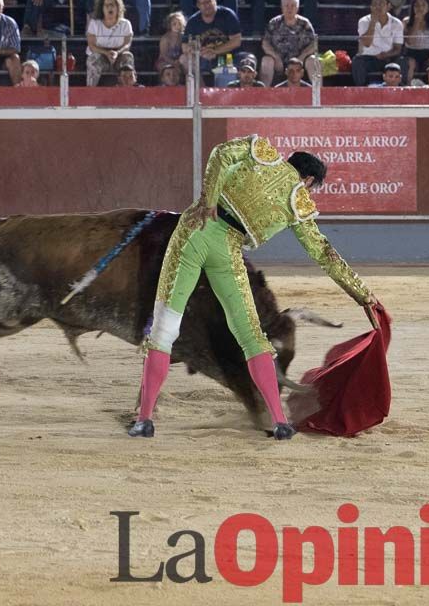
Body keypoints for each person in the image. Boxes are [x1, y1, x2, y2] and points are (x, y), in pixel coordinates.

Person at [127, 135, 377, 440]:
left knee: (165, 328)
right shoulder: (297, 201)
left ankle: (144, 421)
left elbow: (219, 154)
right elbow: (323, 252)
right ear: (309, 179)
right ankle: (279, 421)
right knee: (252, 336)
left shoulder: (262, 152)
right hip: (227, 251)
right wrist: (361, 293)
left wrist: (209, 199)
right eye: (313, 187)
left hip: (195, 231)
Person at [260, 0, 320, 85]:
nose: (289, 8)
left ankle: (319, 94)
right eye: (286, 5)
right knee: (266, 60)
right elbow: (265, 43)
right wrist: (276, 57)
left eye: (293, 5)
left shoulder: (305, 23)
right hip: (279, 62)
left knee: (313, 60)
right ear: (282, 7)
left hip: (300, 61)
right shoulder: (274, 23)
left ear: (297, 7)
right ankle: (263, 95)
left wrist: (301, 57)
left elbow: (314, 44)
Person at [183, 0, 242, 79]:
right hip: (203, 57)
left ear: (215, 0)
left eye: (209, 1)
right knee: (184, 59)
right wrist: (200, 52)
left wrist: (215, 51)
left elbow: (236, 41)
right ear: (198, 5)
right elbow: (185, 46)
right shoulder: (193, 21)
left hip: (227, 56)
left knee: (243, 62)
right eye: (203, 3)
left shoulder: (228, 15)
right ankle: (200, 90)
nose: (207, 5)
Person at [352, 0, 404, 85]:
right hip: (369, 58)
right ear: (371, 7)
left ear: (388, 6)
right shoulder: (364, 21)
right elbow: (367, 44)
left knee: (403, 61)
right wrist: (372, 23)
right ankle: (361, 92)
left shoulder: (397, 23)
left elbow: (398, 48)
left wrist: (387, 54)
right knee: (357, 61)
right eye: (375, 4)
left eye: (381, 4)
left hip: (389, 57)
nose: (378, 7)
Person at [85, 0, 134, 86]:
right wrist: (106, 53)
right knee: (93, 58)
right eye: (106, 5)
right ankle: (90, 91)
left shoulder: (125, 24)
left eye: (112, 5)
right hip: (101, 55)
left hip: (118, 55)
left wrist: (117, 53)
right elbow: (91, 46)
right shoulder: (94, 24)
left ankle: (128, 90)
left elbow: (127, 44)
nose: (109, 7)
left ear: (118, 7)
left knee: (128, 56)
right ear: (102, 8)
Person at [403, 0, 429, 81]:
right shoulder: (406, 21)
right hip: (412, 53)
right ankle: (407, 86)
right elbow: (409, 41)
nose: (420, 8)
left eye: (423, 5)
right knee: (410, 64)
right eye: (417, 5)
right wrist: (416, 22)